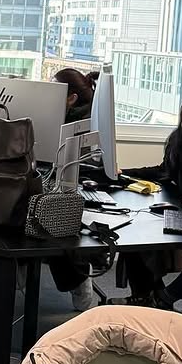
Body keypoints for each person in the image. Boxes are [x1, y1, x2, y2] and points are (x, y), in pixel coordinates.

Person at [47, 67, 105, 312]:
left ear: (71, 98)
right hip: (54, 177)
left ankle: (79, 277)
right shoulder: (53, 114)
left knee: (53, 218)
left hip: (79, 182)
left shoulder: (84, 122)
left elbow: (92, 162)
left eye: (54, 91)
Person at [122, 98, 182, 308]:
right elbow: (164, 171)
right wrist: (124, 174)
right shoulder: (178, 140)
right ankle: (146, 295)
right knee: (134, 229)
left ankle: (164, 298)